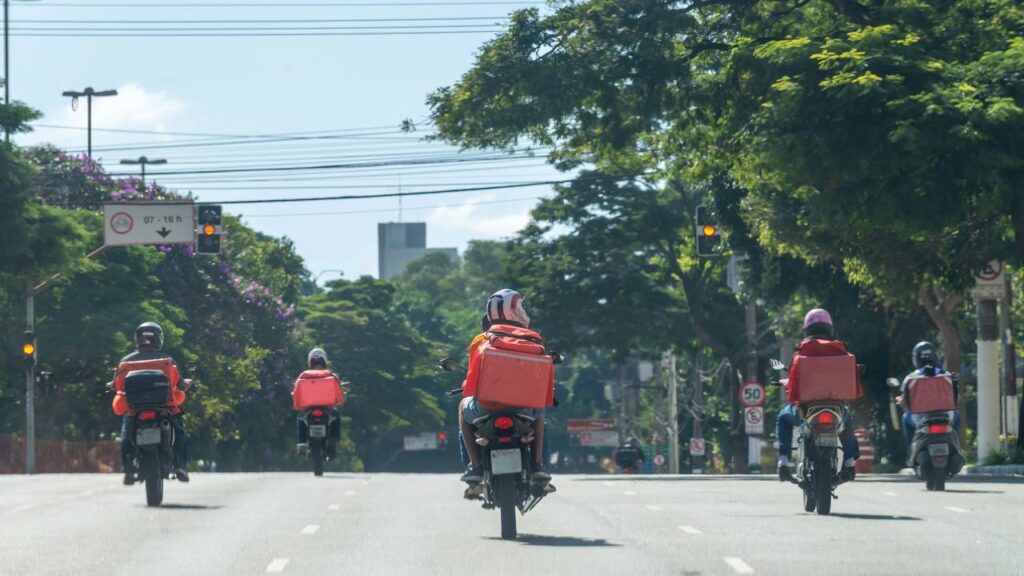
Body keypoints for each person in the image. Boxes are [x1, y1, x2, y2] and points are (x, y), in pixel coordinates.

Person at [459, 289, 552, 488]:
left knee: (461, 407)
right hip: (524, 410)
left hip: (486, 409)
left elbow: (470, 385)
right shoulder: (534, 338)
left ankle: (474, 466)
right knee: (541, 410)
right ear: (514, 311)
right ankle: (538, 465)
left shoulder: (481, 340)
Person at [776, 309, 862, 484]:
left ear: (807, 329)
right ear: (829, 327)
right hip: (835, 408)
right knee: (847, 421)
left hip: (807, 410)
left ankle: (783, 462)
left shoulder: (800, 352)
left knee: (783, 418)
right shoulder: (840, 350)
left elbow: (793, 386)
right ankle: (850, 462)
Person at [111, 322, 191, 485]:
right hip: (165, 408)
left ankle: (128, 469)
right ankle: (180, 466)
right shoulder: (167, 361)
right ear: (159, 339)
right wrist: (187, 384)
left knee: (126, 434)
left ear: (137, 339)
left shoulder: (125, 362)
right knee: (180, 432)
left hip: (135, 409)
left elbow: (117, 385)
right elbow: (180, 385)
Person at [897, 341, 960, 455]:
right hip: (946, 416)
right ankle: (956, 447)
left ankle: (911, 453)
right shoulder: (945, 375)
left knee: (905, 418)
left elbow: (904, 401)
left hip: (919, 418)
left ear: (916, 358)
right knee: (957, 415)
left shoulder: (911, 378)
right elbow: (956, 397)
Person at [292, 348, 345, 458]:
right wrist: (338, 402)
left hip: (308, 409)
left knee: (301, 418)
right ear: (325, 361)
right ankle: (335, 441)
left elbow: (296, 392)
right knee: (336, 417)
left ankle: (302, 443)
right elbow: (338, 394)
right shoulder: (332, 376)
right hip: (327, 408)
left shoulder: (303, 376)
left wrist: (298, 405)